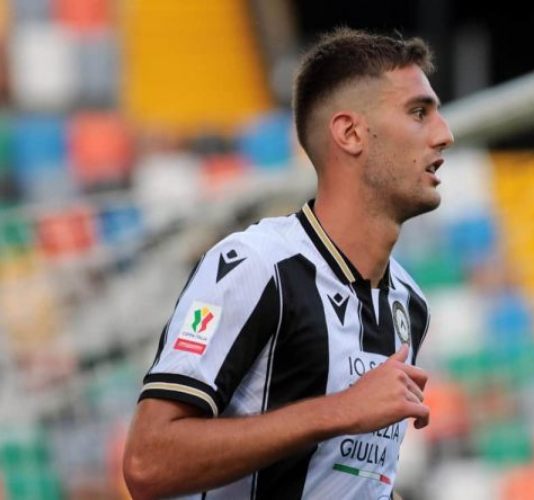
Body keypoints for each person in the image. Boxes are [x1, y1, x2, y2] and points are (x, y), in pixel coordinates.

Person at [123, 26, 454, 500]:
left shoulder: (409, 304)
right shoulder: (258, 268)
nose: (445, 135)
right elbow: (147, 463)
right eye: (419, 112)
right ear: (350, 133)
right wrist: (339, 409)